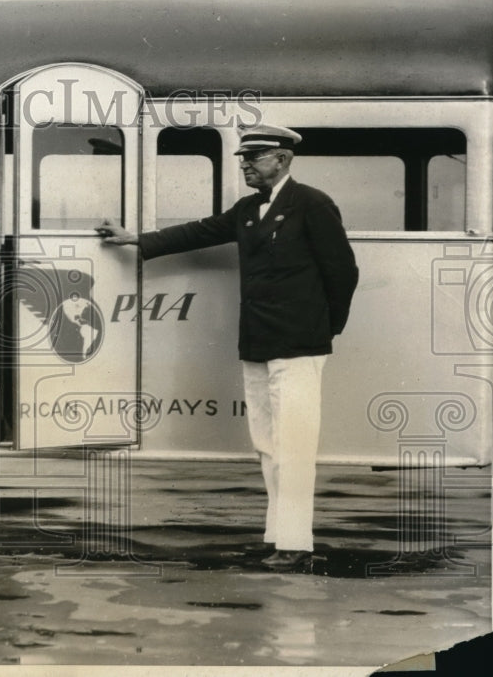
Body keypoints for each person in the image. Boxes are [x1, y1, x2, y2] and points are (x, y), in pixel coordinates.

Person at [98, 124, 358, 571]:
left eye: (254, 157)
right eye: (243, 158)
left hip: (298, 342)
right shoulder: (250, 209)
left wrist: (324, 329)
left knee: (294, 444)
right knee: (268, 442)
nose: (245, 165)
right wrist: (135, 238)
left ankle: (296, 544)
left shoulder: (311, 203)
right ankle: (278, 535)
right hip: (258, 340)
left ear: (282, 158)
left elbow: (342, 272)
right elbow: (200, 231)